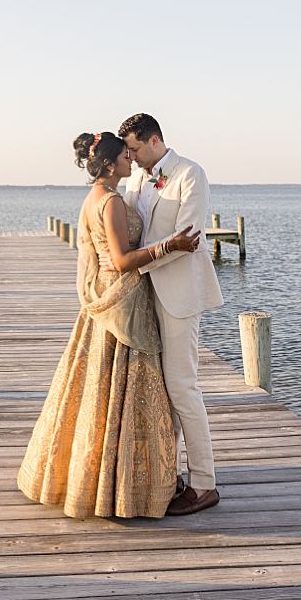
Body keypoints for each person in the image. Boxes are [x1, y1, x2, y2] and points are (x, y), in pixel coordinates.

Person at [17, 131, 201, 518]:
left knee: (101, 390)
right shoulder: (113, 201)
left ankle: (102, 475)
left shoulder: (96, 196)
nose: (131, 161)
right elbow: (120, 260)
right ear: (108, 163)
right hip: (123, 299)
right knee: (129, 390)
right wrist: (172, 246)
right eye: (125, 156)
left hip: (108, 296)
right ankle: (131, 482)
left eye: (132, 153)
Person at [119, 112, 226, 516]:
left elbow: (189, 238)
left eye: (133, 149)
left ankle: (204, 484)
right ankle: (169, 473)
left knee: (182, 386)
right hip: (143, 293)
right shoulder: (136, 178)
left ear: (153, 141)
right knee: (159, 389)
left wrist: (137, 261)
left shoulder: (190, 174)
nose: (130, 157)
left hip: (180, 294)